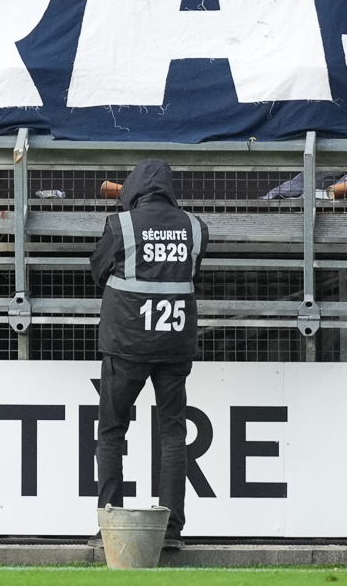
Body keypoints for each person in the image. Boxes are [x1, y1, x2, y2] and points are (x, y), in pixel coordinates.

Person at [92, 158, 205, 549]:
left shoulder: (120, 225)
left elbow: (97, 269)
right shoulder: (194, 226)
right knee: (173, 434)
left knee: (111, 432)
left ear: (132, 188)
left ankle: (110, 529)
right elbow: (193, 271)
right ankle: (171, 532)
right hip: (174, 343)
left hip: (126, 343)